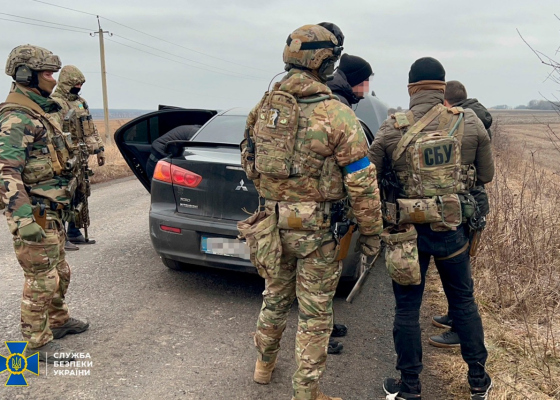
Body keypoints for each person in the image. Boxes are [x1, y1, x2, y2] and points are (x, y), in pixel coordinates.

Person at [240, 24, 383, 400]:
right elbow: (361, 181)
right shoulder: (337, 114)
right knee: (315, 312)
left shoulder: (264, 108)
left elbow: (249, 161)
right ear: (324, 63)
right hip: (317, 233)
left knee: (274, 297)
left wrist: (278, 194)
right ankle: (306, 391)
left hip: (272, 224)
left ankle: (263, 366)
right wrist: (371, 232)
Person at [368, 57, 494, 400]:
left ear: (412, 89)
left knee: (407, 308)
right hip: (452, 230)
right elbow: (486, 175)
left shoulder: (392, 127)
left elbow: (368, 176)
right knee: (463, 302)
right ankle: (478, 381)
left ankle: (410, 387)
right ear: (441, 87)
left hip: (407, 234)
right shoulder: (469, 122)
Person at [0, 44, 89, 363]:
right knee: (42, 279)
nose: (54, 79)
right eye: (48, 73)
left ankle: (59, 321)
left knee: (60, 271)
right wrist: (23, 219)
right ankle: (36, 343)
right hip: (33, 212)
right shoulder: (16, 117)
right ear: (26, 75)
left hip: (50, 209)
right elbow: (6, 171)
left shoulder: (39, 111)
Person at [429, 79, 493, 349]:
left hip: (467, 204)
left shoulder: (464, 121)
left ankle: (459, 329)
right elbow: (486, 172)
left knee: (461, 274)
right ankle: (453, 316)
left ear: (446, 101)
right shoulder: (477, 118)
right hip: (474, 202)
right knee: (460, 269)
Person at [324, 51, 374, 355]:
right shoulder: (339, 108)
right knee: (321, 277)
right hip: (326, 207)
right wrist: (370, 226)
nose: (365, 91)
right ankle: (320, 337)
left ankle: (326, 325)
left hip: (309, 207)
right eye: (364, 83)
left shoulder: (329, 98)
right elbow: (357, 173)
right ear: (354, 81)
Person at [52, 65, 104, 250]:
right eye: (76, 84)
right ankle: (61, 235)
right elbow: (54, 132)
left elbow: (91, 127)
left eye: (81, 84)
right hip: (65, 157)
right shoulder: (55, 103)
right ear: (66, 83)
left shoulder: (81, 102)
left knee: (81, 193)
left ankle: (74, 231)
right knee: (64, 195)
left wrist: (99, 149)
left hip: (81, 156)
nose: (79, 87)